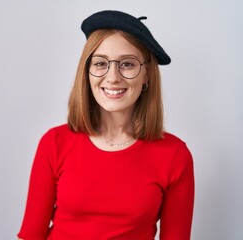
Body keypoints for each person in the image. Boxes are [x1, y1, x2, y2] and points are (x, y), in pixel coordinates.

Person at [17, 10, 194, 240]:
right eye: (100, 63)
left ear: (147, 74)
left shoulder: (175, 155)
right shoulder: (54, 143)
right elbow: (30, 236)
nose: (112, 77)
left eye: (127, 64)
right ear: (87, 71)